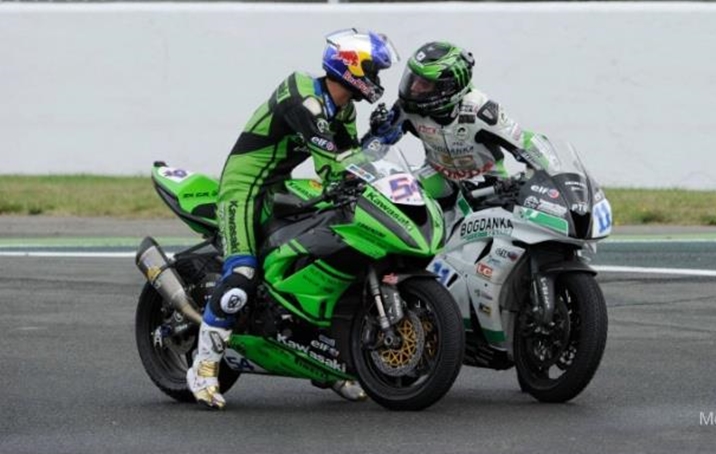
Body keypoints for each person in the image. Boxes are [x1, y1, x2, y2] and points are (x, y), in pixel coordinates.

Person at [187, 28, 398, 410]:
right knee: (240, 278)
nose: (377, 81)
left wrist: (378, 141)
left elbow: (343, 168)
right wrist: (365, 151)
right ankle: (203, 367)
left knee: (331, 251)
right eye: (374, 71)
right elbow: (331, 158)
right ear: (351, 67)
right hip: (243, 186)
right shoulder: (301, 93)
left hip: (280, 185)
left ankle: (327, 362)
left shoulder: (345, 109)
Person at [363, 41, 533, 222]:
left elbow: (529, 144)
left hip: (489, 185)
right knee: (394, 204)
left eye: (424, 84)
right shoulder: (408, 108)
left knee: (474, 240)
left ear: (448, 88)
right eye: (413, 79)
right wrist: (375, 134)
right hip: (437, 176)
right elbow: (371, 150)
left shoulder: (482, 111)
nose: (413, 88)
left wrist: (532, 182)